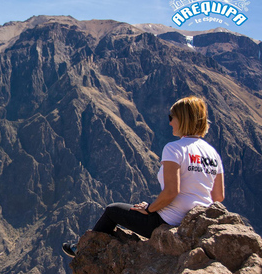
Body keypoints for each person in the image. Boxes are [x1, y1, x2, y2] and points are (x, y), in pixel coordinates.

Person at [63, 96, 225, 258]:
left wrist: (149, 209)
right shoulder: (213, 154)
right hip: (196, 223)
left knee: (113, 210)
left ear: (182, 119)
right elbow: (218, 196)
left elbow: (171, 192)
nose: (169, 123)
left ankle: (82, 251)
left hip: (169, 221)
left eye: (171, 118)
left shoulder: (174, 149)